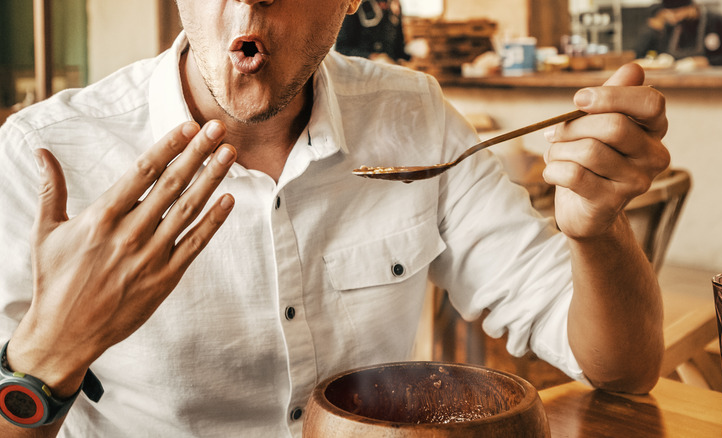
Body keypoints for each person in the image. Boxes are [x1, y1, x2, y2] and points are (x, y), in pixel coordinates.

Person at [0, 0, 669, 436]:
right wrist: (47, 357)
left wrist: (597, 231)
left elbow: (621, 371)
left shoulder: (414, 118)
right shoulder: (46, 154)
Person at [634, 0, 722, 66]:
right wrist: (662, 59)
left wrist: (705, 62)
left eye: (676, 12)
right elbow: (663, 51)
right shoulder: (671, 25)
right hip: (680, 82)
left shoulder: (716, 21)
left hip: (715, 82)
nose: (672, 17)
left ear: (690, 7)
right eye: (668, 13)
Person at [335, 0, 410, 63]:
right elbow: (341, 49)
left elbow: (399, 47)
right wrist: (370, 56)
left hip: (389, 72)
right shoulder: (354, 5)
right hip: (362, 72)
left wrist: (406, 57)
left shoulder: (395, 5)